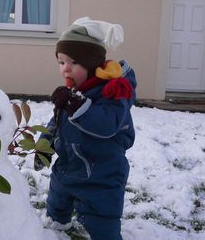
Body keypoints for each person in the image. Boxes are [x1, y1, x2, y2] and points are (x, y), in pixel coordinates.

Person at [34, 17, 137, 240]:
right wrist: (44, 145)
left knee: (102, 222)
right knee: (57, 202)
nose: (65, 69)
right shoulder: (73, 93)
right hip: (67, 167)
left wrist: (75, 104)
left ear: (91, 64)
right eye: (61, 62)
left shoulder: (114, 91)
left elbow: (107, 124)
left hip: (101, 174)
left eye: (73, 63)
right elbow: (57, 121)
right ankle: (56, 222)